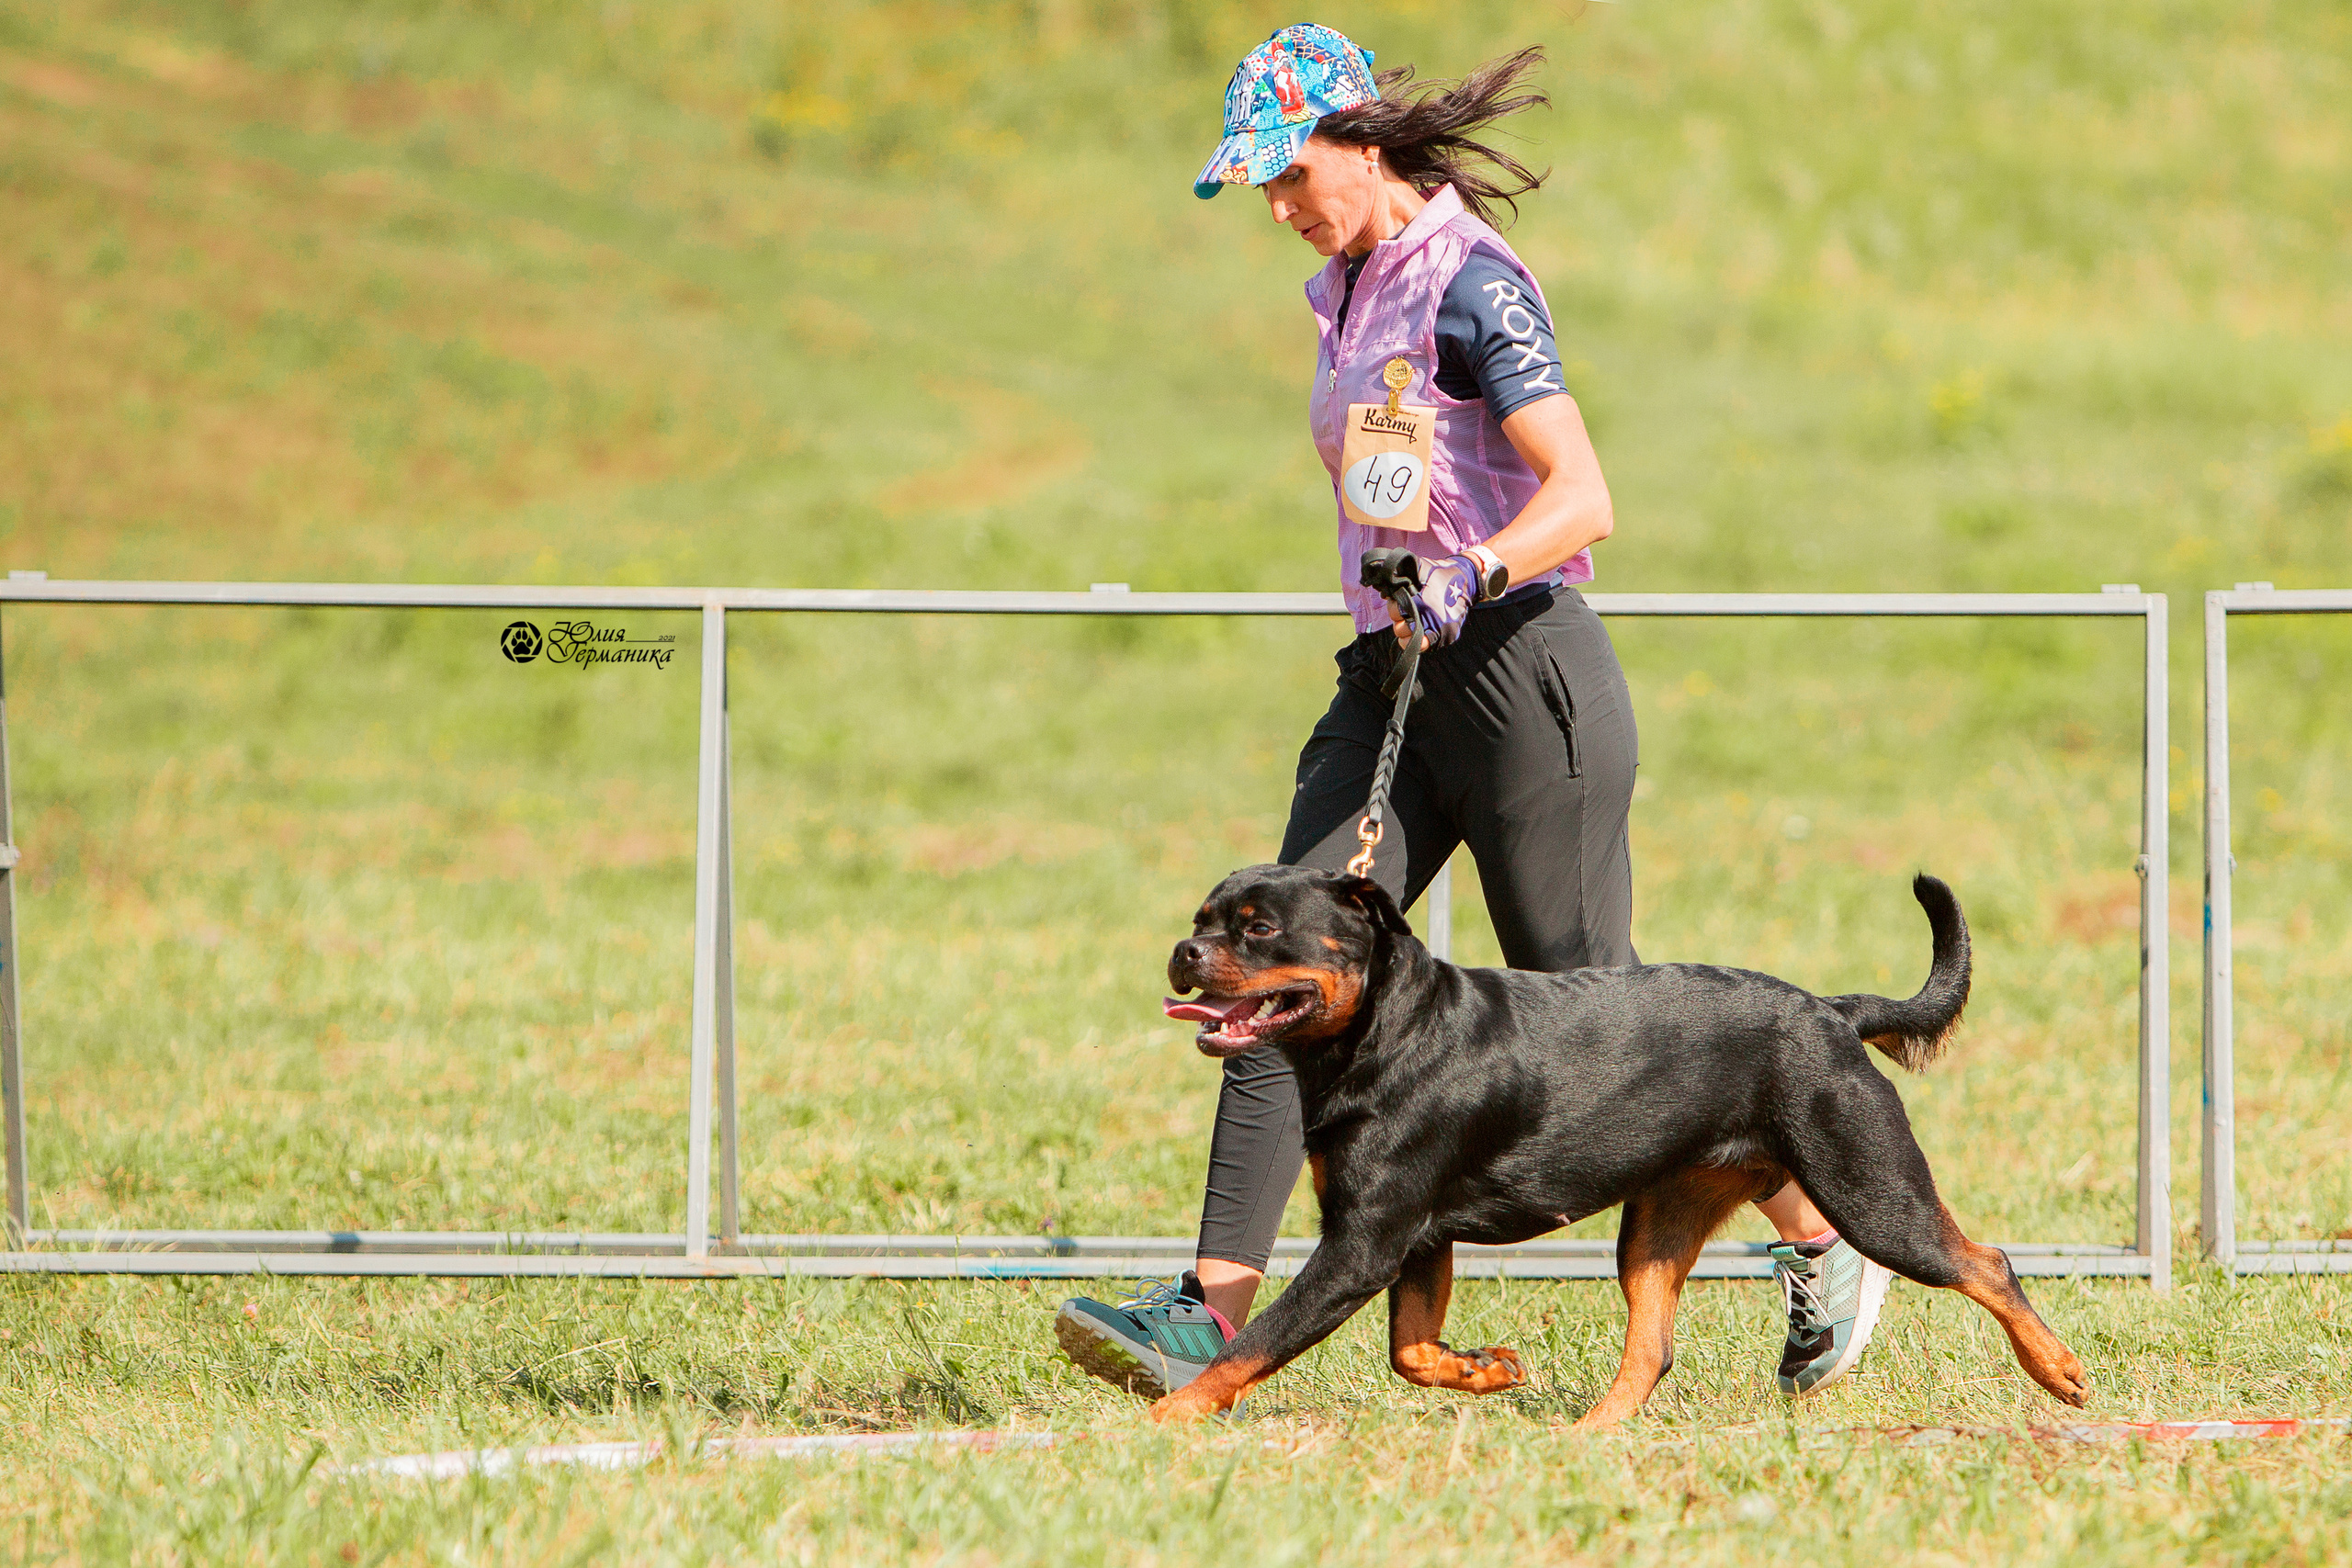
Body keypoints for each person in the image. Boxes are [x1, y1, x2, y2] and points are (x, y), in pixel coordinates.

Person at [1054, 25, 1889, 1407]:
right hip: (1393, 677)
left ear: (1361, 145)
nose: (1278, 206)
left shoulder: (1472, 286)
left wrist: (1474, 569)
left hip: (1520, 675)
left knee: (1594, 1009)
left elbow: (1584, 495)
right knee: (1274, 971)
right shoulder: (1344, 286)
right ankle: (1207, 1315)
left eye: (1291, 173)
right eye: (1262, 186)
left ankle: (1818, 1239)